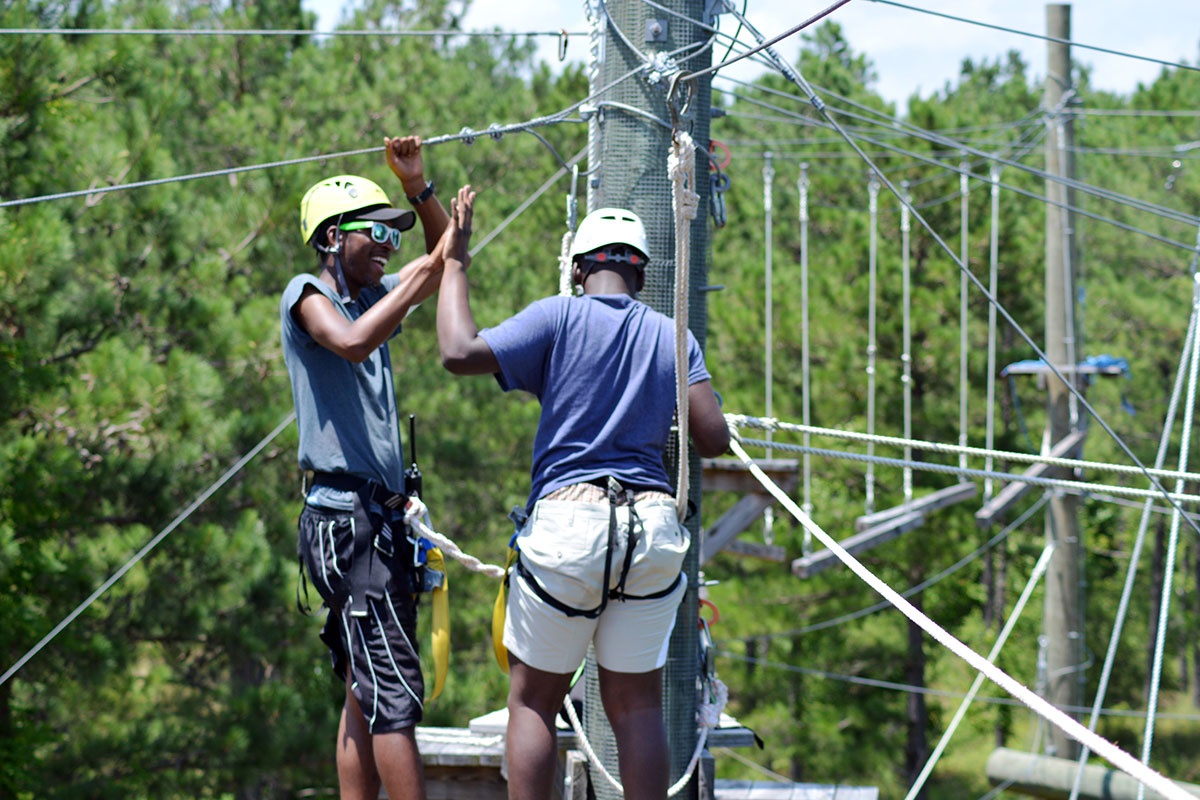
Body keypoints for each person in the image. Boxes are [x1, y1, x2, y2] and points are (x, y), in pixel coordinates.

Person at [435, 203, 730, 800]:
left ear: (577, 271)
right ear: (641, 275)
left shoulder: (557, 318)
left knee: (535, 699)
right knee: (637, 704)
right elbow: (713, 438)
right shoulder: (671, 336)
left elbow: (457, 351)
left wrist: (455, 263)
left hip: (570, 525)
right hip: (648, 531)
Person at [281, 134, 451, 800]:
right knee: (395, 698)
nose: (388, 245)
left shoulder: (370, 300)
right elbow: (349, 344)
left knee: (365, 687)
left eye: (394, 235)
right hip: (346, 523)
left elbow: (442, 261)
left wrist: (419, 189)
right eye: (373, 233)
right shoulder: (309, 296)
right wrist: (407, 290)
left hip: (374, 521)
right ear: (330, 239)